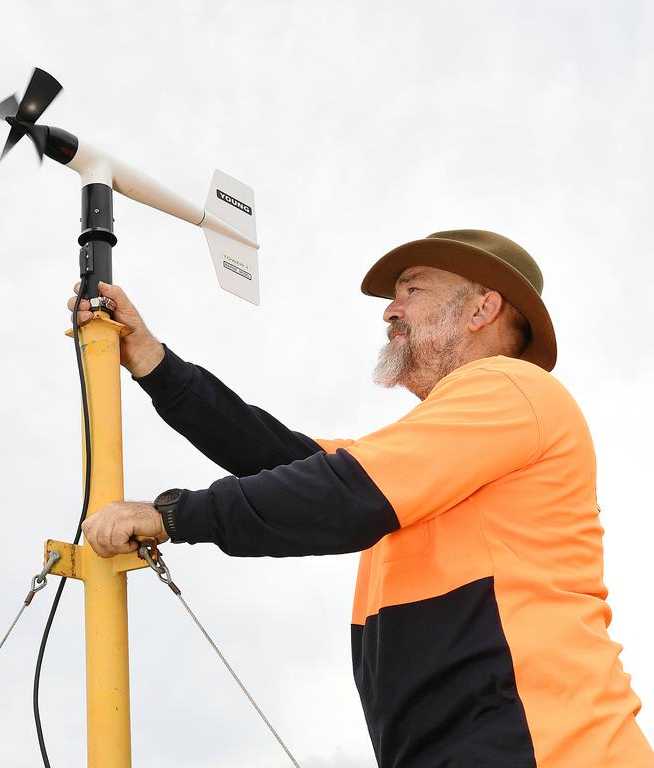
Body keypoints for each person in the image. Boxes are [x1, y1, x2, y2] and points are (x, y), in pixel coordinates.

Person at [69, 229, 653, 767]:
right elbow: (283, 460)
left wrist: (172, 514)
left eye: (413, 289)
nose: (390, 311)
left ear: (484, 307)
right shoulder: (435, 449)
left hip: (548, 748)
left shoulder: (512, 388)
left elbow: (339, 495)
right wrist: (152, 362)